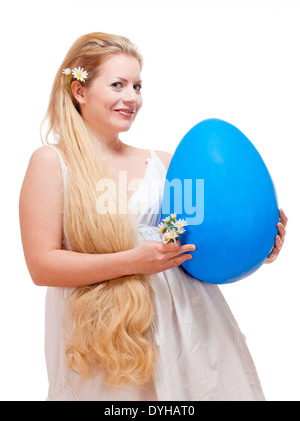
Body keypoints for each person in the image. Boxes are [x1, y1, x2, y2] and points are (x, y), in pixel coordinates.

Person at [19, 32, 287, 401]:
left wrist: (258, 242)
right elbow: (42, 266)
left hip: (185, 334)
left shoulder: (162, 165)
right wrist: (133, 262)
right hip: (107, 339)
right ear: (80, 91)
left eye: (137, 86)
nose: (132, 98)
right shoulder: (53, 164)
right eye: (117, 84)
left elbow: (203, 241)